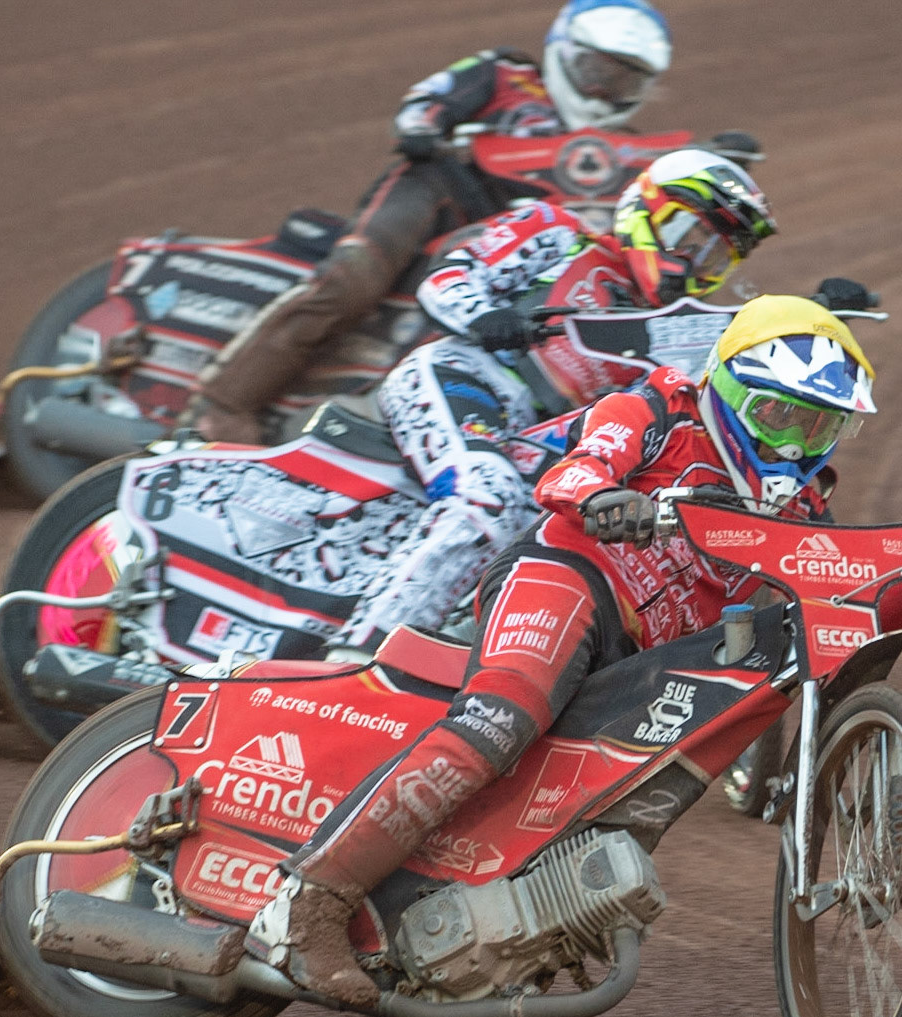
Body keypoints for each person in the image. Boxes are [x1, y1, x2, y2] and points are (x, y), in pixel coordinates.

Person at [246, 294, 902, 1006]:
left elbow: (842, 598)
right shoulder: (655, 409)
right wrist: (604, 498)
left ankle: (507, 915)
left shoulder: (808, 503)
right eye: (778, 415)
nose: (792, 443)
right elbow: (576, 467)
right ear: (729, 387)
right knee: (502, 718)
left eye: (817, 427)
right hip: (570, 575)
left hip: (650, 652)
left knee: (620, 796)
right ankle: (307, 906)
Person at [187, 0, 693, 445]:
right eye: (598, 71)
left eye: (624, 81)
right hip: (443, 191)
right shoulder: (505, 74)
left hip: (512, 246)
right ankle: (224, 405)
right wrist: (423, 126)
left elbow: (643, 215)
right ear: (565, 50)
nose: (604, 91)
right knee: (354, 278)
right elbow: (428, 99)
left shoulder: (624, 152)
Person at [320, 147, 777, 657]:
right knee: (486, 499)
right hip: (464, 376)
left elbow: (726, 388)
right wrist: (483, 316)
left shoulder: (679, 333)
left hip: (542, 440)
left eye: (715, 255)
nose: (693, 261)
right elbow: (449, 276)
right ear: (647, 210)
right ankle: (360, 651)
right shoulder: (558, 231)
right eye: (687, 238)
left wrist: (822, 315)